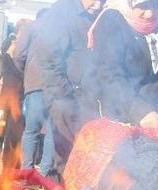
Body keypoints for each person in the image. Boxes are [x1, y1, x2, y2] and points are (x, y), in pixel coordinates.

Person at [32, 0, 104, 175]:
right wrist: (64, 98)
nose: (99, 4)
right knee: (65, 160)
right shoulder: (62, 11)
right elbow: (48, 58)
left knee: (87, 159)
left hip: (89, 101)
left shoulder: (100, 16)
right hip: (65, 99)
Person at [88, 0, 158, 129]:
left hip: (154, 119)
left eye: (156, 5)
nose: (150, 13)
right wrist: (140, 111)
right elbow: (109, 75)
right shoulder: (112, 21)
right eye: (142, 6)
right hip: (120, 119)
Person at [14, 8, 54, 174]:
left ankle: (27, 172)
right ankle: (44, 174)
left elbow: (18, 55)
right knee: (52, 132)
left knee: (31, 130)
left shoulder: (31, 27)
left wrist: (26, 74)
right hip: (56, 89)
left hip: (35, 86)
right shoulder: (60, 29)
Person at [0, 33, 25, 170]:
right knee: (8, 132)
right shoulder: (3, 59)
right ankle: (8, 163)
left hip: (16, 97)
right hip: (7, 98)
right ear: (10, 44)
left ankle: (13, 163)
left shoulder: (16, 60)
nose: (17, 46)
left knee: (14, 132)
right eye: (15, 43)